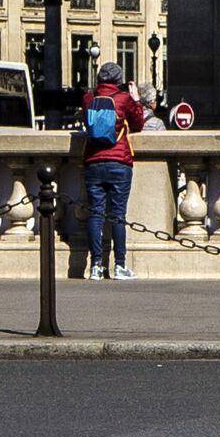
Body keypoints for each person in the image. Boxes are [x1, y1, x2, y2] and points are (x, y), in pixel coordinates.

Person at [76, 60, 144, 280]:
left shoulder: (89, 98)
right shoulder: (123, 99)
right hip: (119, 161)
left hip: (93, 161)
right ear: (118, 80)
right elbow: (138, 123)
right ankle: (119, 266)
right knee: (118, 215)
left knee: (95, 214)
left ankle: (96, 266)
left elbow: (87, 124)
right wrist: (136, 99)